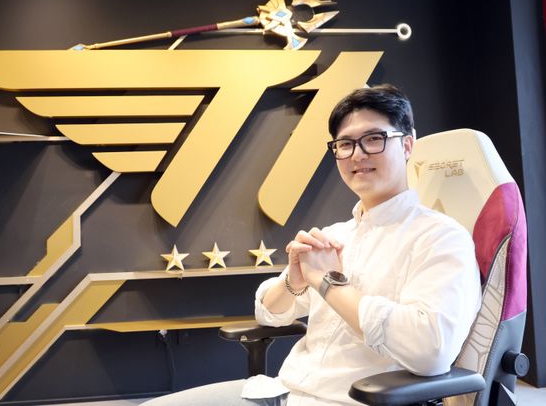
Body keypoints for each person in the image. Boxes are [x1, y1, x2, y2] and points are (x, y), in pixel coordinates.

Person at [142, 84, 482, 405]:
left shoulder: (440, 238)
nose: (357, 154)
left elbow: (430, 351)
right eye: (345, 144)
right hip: (284, 391)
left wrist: (328, 282)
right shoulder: (337, 236)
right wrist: (294, 281)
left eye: (373, 139)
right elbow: (269, 314)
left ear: (407, 146)